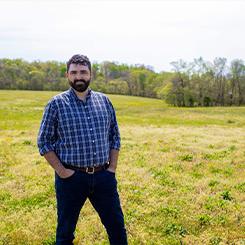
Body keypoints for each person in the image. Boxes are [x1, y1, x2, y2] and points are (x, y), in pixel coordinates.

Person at [37, 54, 128, 245]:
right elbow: (44, 142)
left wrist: (112, 168)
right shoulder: (56, 104)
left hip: (104, 176)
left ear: (90, 74)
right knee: (65, 234)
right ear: (67, 75)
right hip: (71, 179)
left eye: (83, 72)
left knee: (117, 229)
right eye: (74, 72)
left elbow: (115, 137)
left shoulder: (104, 101)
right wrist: (62, 172)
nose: (79, 76)